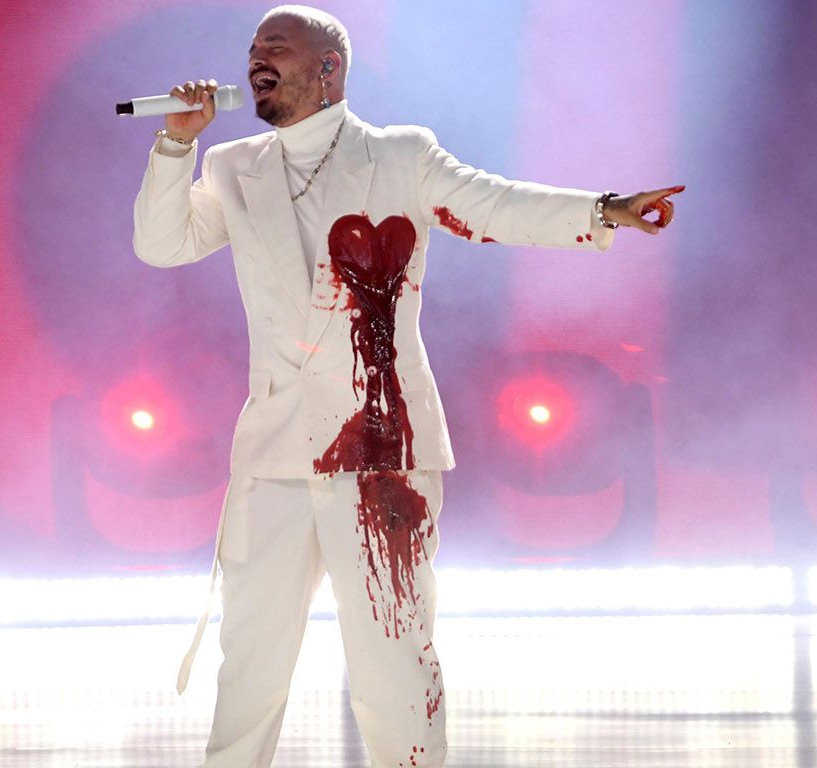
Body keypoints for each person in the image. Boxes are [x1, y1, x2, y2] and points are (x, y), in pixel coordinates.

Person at [132, 6, 684, 766]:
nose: (257, 59)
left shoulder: (400, 157)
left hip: (379, 448)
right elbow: (161, 245)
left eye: (277, 48)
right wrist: (175, 145)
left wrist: (601, 211)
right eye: (253, 48)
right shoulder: (234, 166)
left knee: (393, 669)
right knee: (249, 673)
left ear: (329, 68)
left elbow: (496, 204)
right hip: (274, 454)